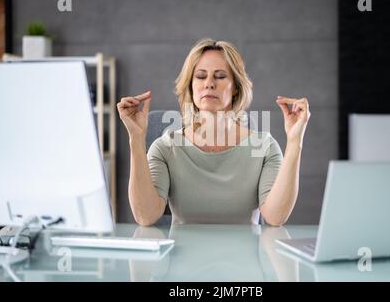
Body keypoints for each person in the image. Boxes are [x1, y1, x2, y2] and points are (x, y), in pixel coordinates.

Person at [117, 38, 310, 226]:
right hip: (185, 258)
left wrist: (294, 142)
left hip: (245, 257)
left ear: (235, 87)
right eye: (200, 76)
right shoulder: (166, 147)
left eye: (220, 76)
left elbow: (276, 217)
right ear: (191, 87)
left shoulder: (265, 147)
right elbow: (145, 216)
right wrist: (136, 138)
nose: (209, 83)